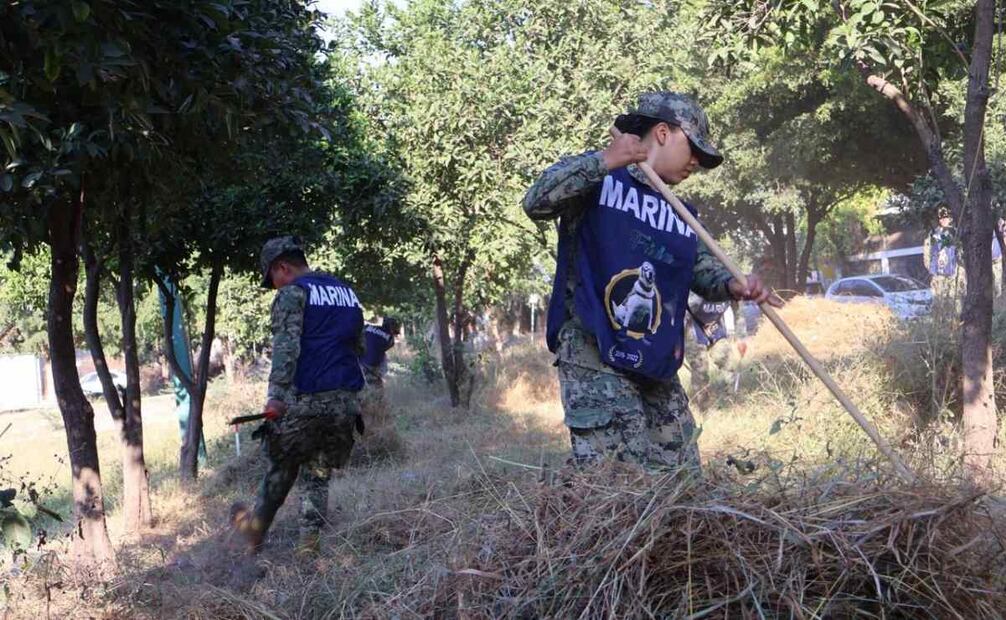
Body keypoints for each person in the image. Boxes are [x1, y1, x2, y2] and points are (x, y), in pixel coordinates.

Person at [523, 91, 780, 471]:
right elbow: (537, 201)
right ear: (662, 132)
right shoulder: (598, 177)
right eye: (693, 148)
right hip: (595, 351)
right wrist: (605, 160)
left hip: (655, 359)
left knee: (681, 476)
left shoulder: (680, 215)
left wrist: (734, 284)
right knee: (617, 482)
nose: (696, 162)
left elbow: (701, 269)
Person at [231, 236, 365, 554]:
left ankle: (255, 529)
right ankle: (309, 546)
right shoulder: (346, 292)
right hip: (345, 400)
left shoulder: (293, 293)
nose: (274, 287)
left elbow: (286, 346)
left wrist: (276, 395)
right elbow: (357, 345)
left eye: (272, 279)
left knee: (282, 461)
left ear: (283, 267)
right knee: (318, 470)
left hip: (307, 399)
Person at [360, 316, 401, 390]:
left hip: (359, 360)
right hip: (371, 365)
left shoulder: (367, 327)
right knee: (377, 384)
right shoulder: (390, 340)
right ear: (392, 329)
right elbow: (381, 349)